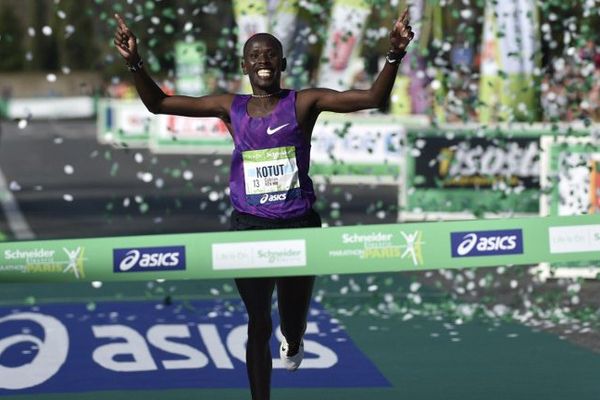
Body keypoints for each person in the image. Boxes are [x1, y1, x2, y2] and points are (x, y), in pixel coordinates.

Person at [114, 10, 413, 400]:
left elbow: (374, 97)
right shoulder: (229, 106)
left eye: (270, 54)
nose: (263, 61)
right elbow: (158, 104)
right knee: (258, 321)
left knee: (292, 320)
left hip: (299, 228)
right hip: (249, 229)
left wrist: (393, 54)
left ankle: (294, 338)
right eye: (254, 55)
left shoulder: (304, 102)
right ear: (244, 66)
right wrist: (134, 62)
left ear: (283, 63)